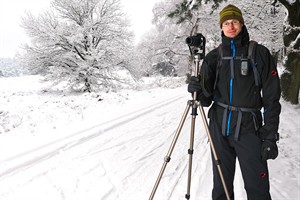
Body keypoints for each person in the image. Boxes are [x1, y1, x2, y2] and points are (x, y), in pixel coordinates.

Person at [187, 4, 281, 200]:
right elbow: (205, 99)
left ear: (242, 23)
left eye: (235, 22)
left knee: (258, 189)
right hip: (219, 128)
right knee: (221, 188)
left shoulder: (259, 54)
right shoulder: (214, 57)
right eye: (226, 23)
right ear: (221, 27)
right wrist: (196, 89)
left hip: (249, 129)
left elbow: (272, 98)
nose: (231, 26)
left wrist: (270, 135)